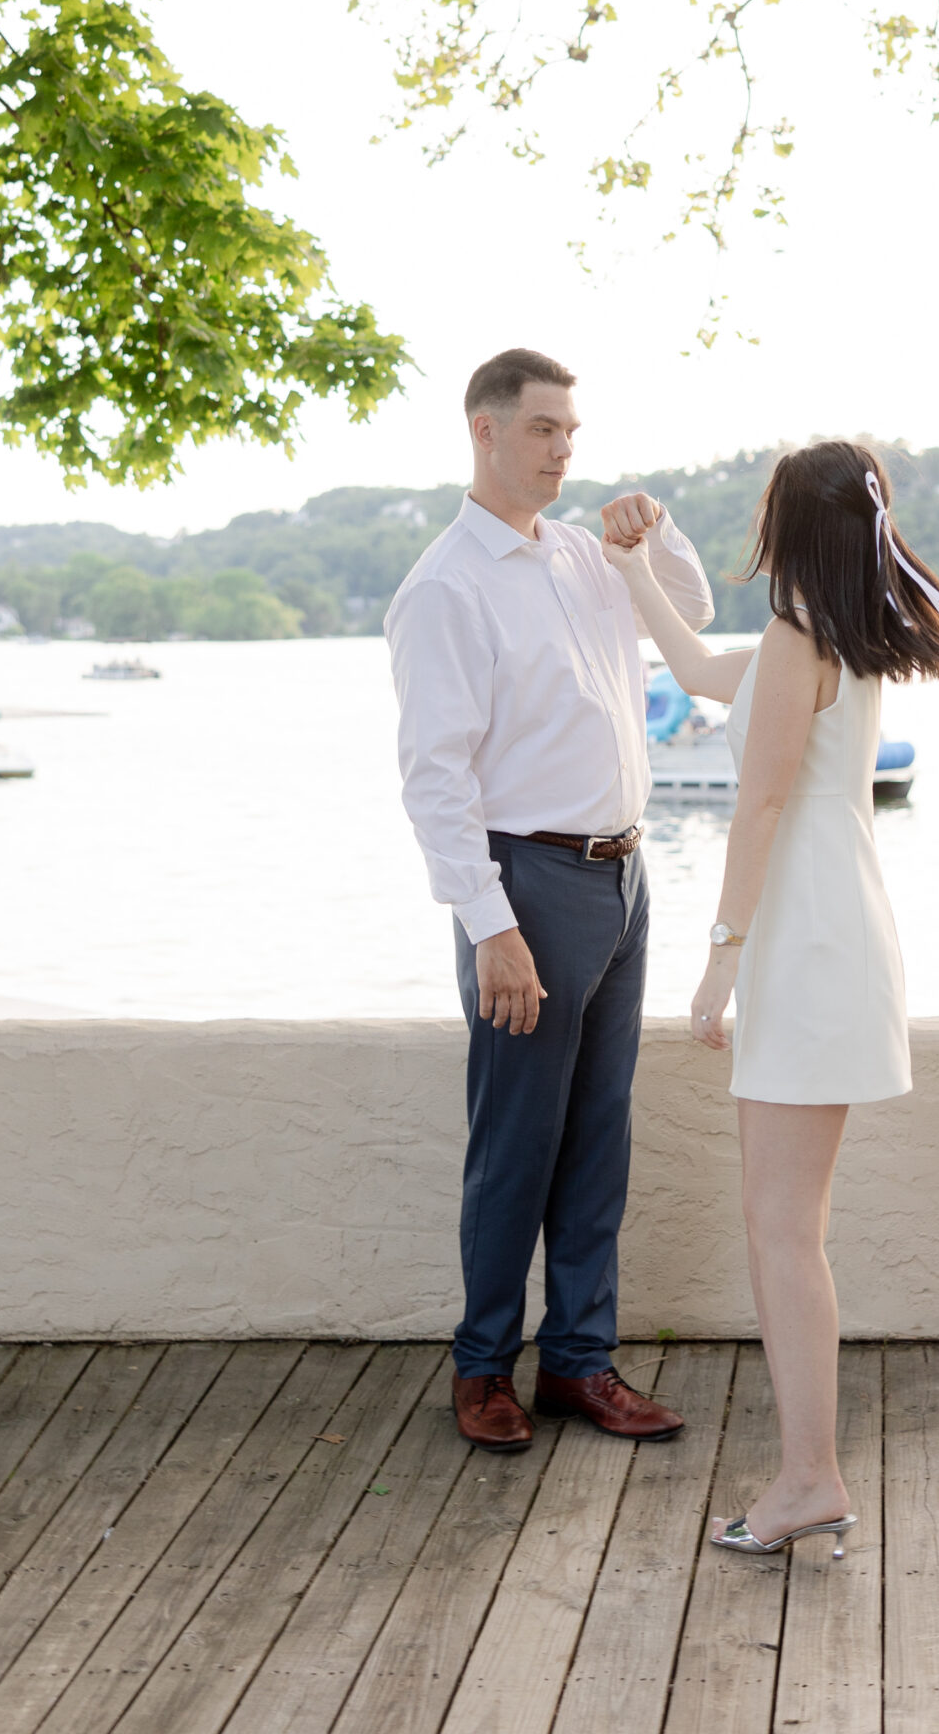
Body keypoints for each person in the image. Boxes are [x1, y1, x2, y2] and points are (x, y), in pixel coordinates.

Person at [602, 440, 939, 1558]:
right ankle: (809, 1473)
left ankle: (811, 1475)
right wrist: (632, 579)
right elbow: (708, 677)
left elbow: (756, 806)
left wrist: (720, 953)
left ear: (784, 521)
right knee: (786, 1229)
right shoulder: (836, 636)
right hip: (832, 931)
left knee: (781, 1231)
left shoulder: (801, 635)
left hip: (806, 939)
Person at [386, 347, 715, 1451]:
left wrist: (653, 533)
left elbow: (694, 612)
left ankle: (581, 1360)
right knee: (516, 1138)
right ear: (483, 430)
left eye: (570, 428)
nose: (564, 446)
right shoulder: (444, 587)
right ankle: (484, 1367)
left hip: (624, 875)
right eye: (542, 429)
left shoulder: (583, 553)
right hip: (528, 881)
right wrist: (491, 924)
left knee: (599, 1132)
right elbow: (436, 776)